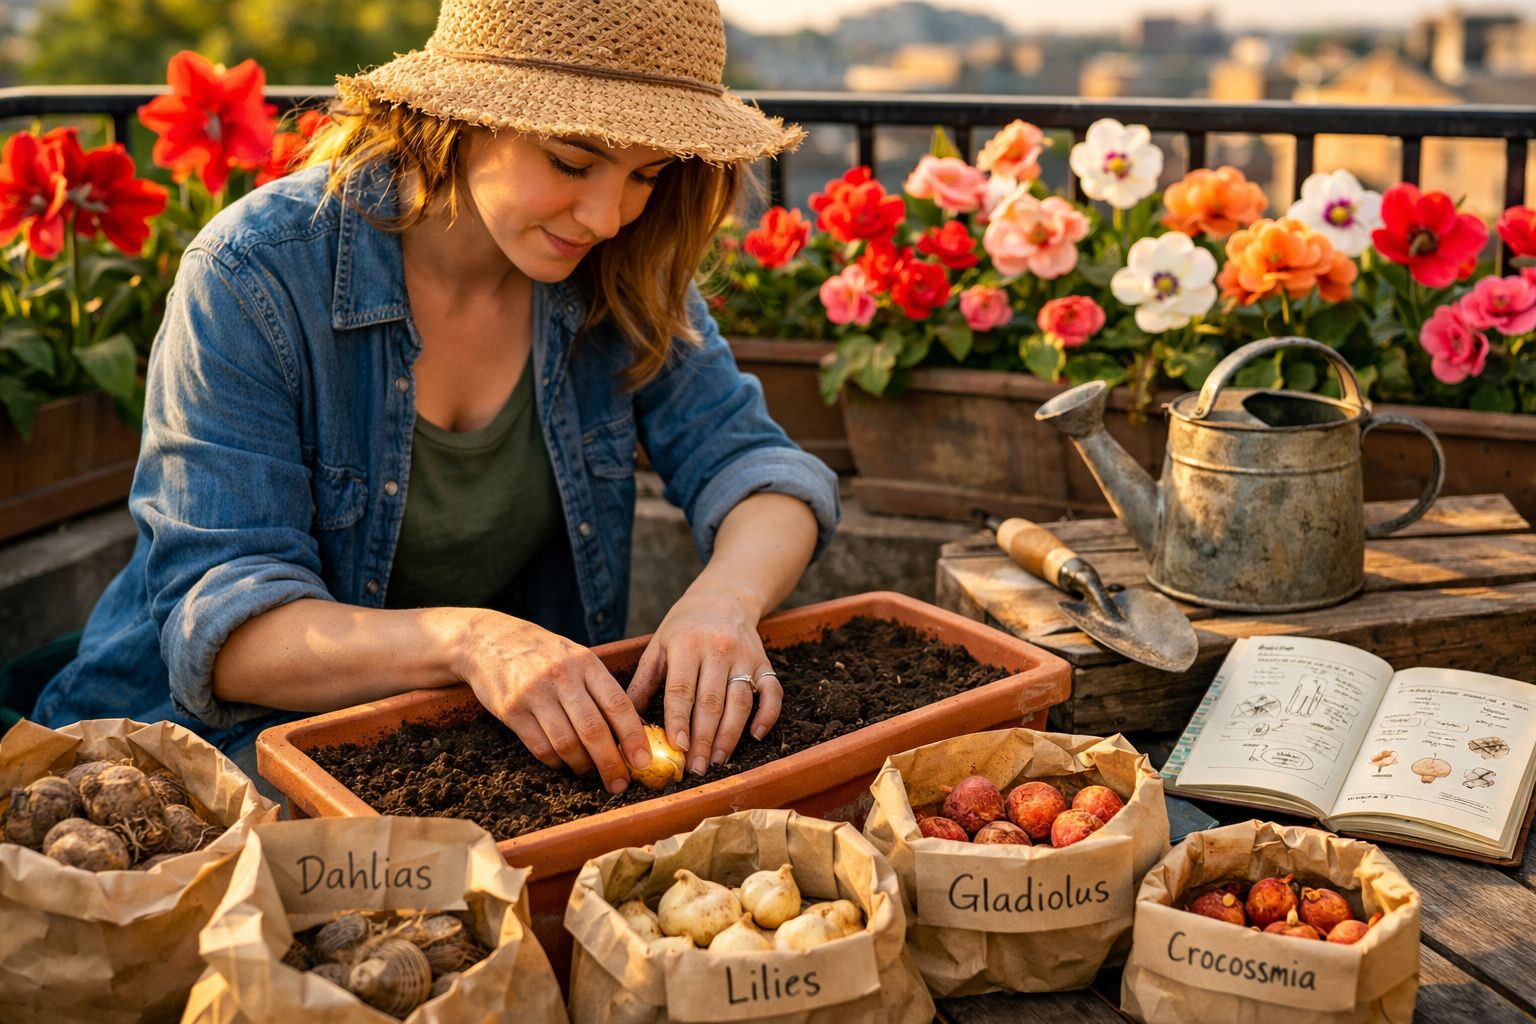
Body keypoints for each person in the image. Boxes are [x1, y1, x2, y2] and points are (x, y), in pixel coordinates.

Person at [33, 0, 839, 796]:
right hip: (179, 762)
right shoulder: (253, 274)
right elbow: (228, 634)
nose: (607, 216)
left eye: (647, 177)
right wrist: (467, 640)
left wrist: (723, 605)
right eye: (570, 160)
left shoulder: (620, 277)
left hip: (432, 756)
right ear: (465, 116)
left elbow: (761, 471)